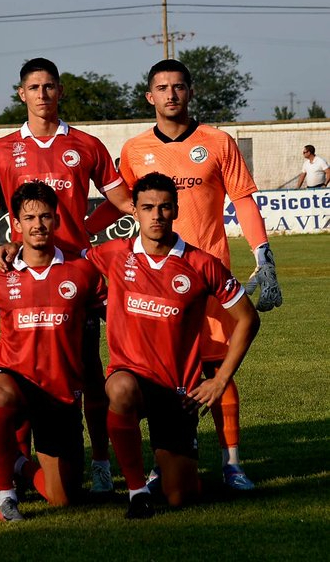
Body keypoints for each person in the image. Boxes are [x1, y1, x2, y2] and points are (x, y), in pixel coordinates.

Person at [117, 59, 281, 490]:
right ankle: (164, 460)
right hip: (153, 282)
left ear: (190, 92)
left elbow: (243, 200)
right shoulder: (134, 150)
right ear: (149, 96)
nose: (170, 94)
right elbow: (122, 205)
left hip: (207, 281)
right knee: (161, 375)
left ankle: (232, 462)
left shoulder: (217, 142)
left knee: (217, 369)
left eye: (178, 86)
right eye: (162, 87)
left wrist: (262, 252)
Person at [0, 57, 134, 493]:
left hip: (74, 278)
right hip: (24, 273)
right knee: (24, 369)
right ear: (21, 94)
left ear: (60, 92)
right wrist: (0, 242)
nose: (42, 95)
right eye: (34, 87)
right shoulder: (2, 150)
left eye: (50, 87)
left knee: (87, 371)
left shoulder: (86, 145)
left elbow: (122, 199)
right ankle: (19, 463)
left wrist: (89, 231)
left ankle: (101, 462)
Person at [85, 172, 259, 518]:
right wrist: (11, 249)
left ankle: (166, 467)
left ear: (177, 210)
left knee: (181, 496)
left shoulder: (201, 264)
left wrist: (220, 379)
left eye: (165, 207)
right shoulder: (113, 254)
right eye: (148, 207)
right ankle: (136, 490)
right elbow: (58, 261)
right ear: (133, 210)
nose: (157, 215)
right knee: (117, 388)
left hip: (179, 390)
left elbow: (247, 319)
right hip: (131, 378)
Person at [0, 181, 106, 522]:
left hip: (61, 393)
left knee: (63, 499)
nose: (38, 224)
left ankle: (20, 463)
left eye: (46, 216)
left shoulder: (82, 271)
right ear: (15, 225)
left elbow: (115, 314)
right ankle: (6, 497)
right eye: (29, 217)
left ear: (57, 220)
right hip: (15, 376)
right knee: (1, 394)